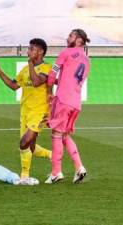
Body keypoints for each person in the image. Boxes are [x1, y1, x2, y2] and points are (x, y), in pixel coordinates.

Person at [0, 38, 52, 183]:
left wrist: (30, 63)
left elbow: (37, 82)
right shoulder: (25, 70)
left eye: (32, 49)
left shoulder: (47, 68)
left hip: (39, 112)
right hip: (25, 112)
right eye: (29, 48)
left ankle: (25, 176)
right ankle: (53, 155)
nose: (28, 51)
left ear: (41, 52)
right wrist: (0, 72)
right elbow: (14, 86)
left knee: (23, 143)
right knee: (30, 147)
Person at [45, 29, 90, 184]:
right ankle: (79, 168)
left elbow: (53, 73)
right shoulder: (87, 60)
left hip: (63, 99)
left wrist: (49, 90)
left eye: (71, 36)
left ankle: (56, 172)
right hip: (75, 103)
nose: (67, 38)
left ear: (79, 41)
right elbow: (72, 80)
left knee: (56, 135)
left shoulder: (66, 52)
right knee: (64, 135)